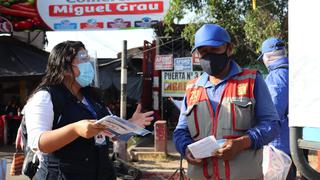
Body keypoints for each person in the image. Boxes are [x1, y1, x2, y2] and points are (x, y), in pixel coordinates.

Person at [24, 41, 154, 180]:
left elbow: (112, 133)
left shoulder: (92, 97)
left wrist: (129, 124)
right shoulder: (45, 97)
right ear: (65, 69)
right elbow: (38, 143)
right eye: (83, 60)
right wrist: (75, 129)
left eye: (88, 59)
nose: (89, 64)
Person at [173, 24, 280, 180]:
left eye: (214, 49)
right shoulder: (192, 88)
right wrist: (185, 149)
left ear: (229, 49)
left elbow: (272, 125)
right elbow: (180, 131)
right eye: (203, 52)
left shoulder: (251, 80)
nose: (208, 57)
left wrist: (241, 143)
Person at [258, 37, 296, 179]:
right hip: (295, 144)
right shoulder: (295, 73)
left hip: (279, 147)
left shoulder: (276, 77)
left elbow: (272, 114)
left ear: (267, 57)